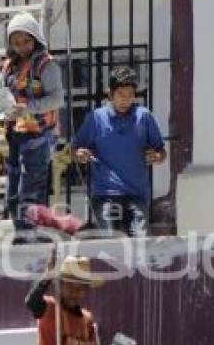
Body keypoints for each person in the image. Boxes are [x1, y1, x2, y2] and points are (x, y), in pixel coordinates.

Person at [0, 12, 64, 242]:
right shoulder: (9, 66)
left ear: (35, 38)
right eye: (16, 42)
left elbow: (57, 99)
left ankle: (31, 236)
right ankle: (23, 234)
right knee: (13, 194)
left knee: (31, 189)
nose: (22, 47)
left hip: (38, 135)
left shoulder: (47, 65)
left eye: (26, 41)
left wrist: (28, 107)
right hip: (16, 135)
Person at [71, 65, 166, 236]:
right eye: (121, 95)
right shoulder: (95, 119)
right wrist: (80, 154)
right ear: (110, 95)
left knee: (140, 243)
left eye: (130, 95)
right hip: (105, 194)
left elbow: (161, 151)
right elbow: (75, 148)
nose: (125, 100)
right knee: (112, 243)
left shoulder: (144, 117)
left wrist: (157, 156)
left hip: (137, 194)